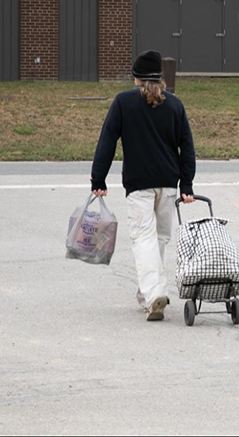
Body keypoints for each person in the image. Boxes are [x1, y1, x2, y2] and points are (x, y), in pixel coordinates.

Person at [91, 50, 196, 321]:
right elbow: (187, 146)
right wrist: (187, 184)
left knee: (143, 239)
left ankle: (154, 294)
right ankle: (148, 294)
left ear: (136, 78)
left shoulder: (124, 102)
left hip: (139, 185)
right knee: (159, 239)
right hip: (168, 184)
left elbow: (107, 141)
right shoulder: (174, 105)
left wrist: (98, 179)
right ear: (160, 77)